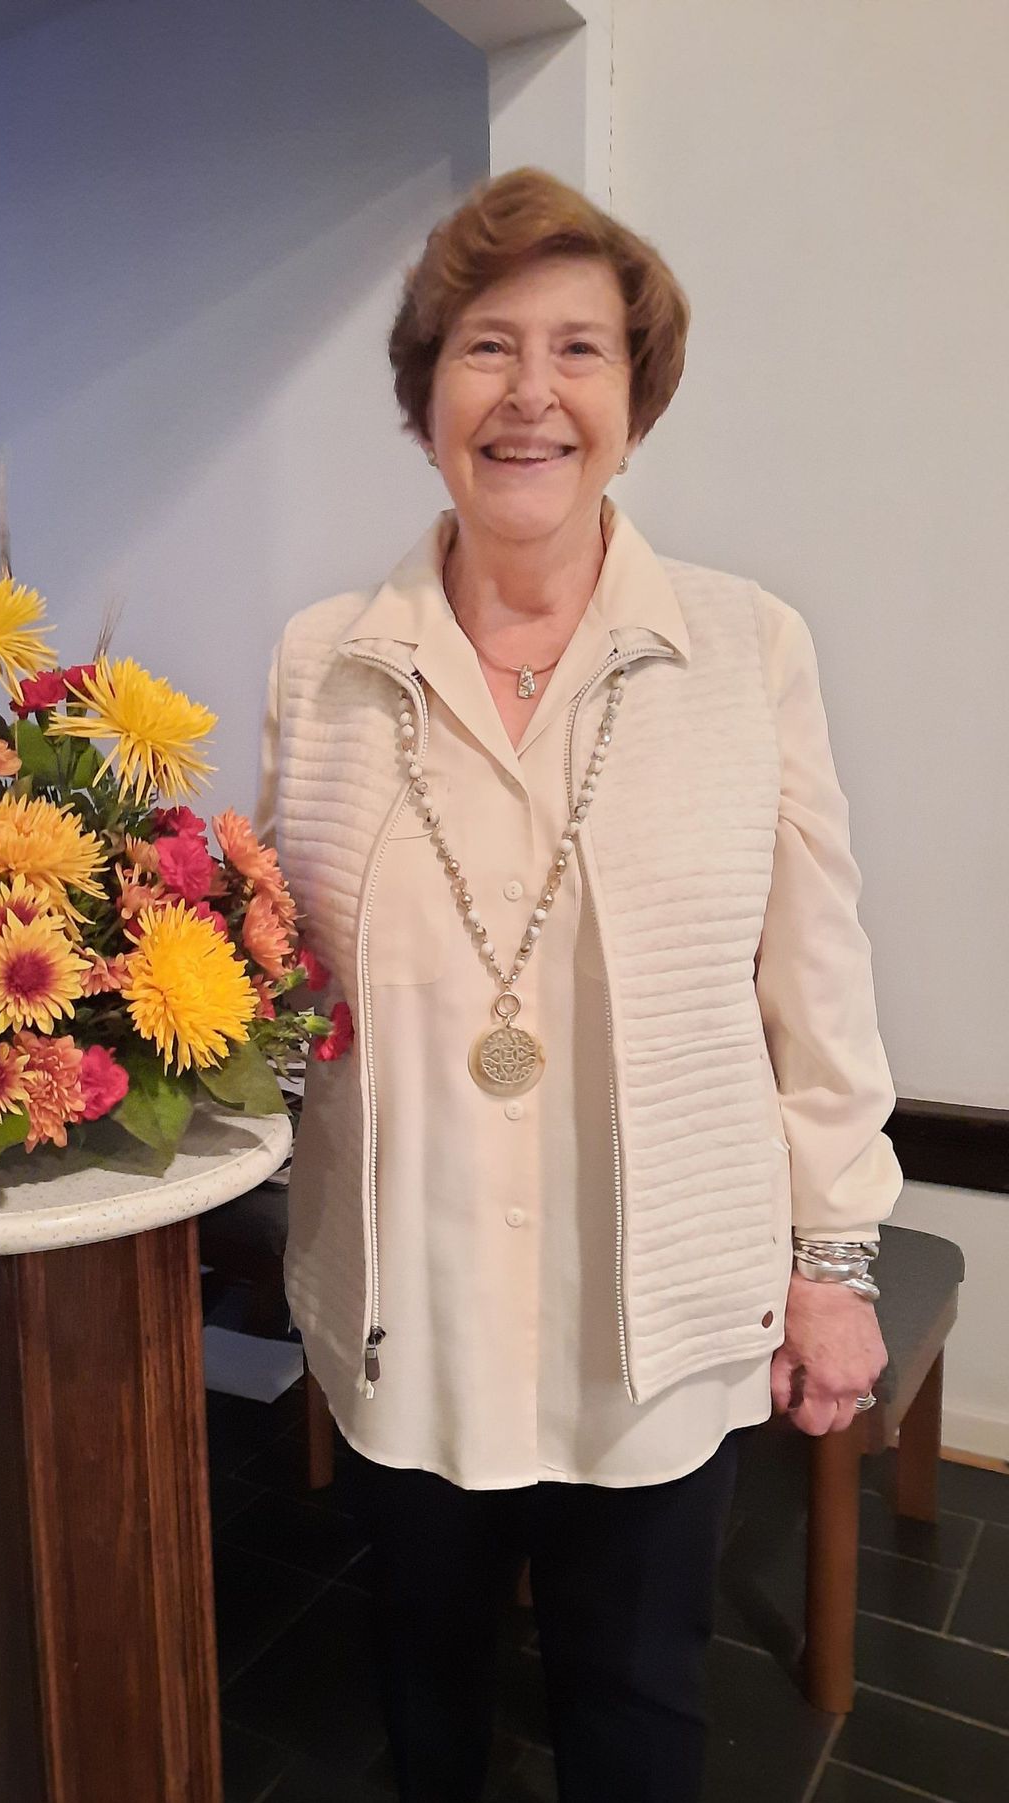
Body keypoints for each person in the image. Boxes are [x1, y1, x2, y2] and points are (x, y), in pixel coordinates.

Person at [255, 169, 900, 1803]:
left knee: (634, 1700)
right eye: (485, 348)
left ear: (634, 395)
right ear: (424, 399)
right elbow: (284, 986)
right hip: (413, 1303)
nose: (531, 394)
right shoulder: (325, 662)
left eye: (580, 351)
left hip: (656, 1309)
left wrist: (832, 1262)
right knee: (422, 1678)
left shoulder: (746, 651)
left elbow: (815, 978)